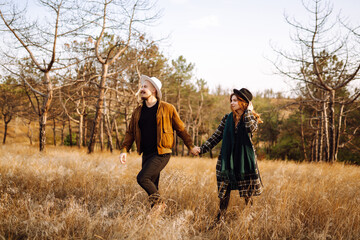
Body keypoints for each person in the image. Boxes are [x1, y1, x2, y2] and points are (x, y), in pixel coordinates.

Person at [119, 75, 198, 211]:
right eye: (142, 86)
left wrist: (190, 146)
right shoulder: (138, 111)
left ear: (154, 90)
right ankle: (155, 213)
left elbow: (181, 129)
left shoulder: (167, 108)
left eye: (145, 87)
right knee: (153, 185)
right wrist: (124, 150)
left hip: (162, 153)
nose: (142, 89)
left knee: (142, 178)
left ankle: (160, 204)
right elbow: (130, 132)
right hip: (147, 153)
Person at [192, 88, 263, 221]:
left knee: (247, 192)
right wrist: (202, 149)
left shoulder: (250, 118)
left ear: (244, 103)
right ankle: (220, 218)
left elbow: (250, 128)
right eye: (231, 100)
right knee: (224, 190)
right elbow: (216, 136)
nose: (232, 103)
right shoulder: (227, 118)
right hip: (227, 159)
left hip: (244, 160)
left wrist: (248, 111)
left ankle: (251, 218)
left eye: (235, 100)